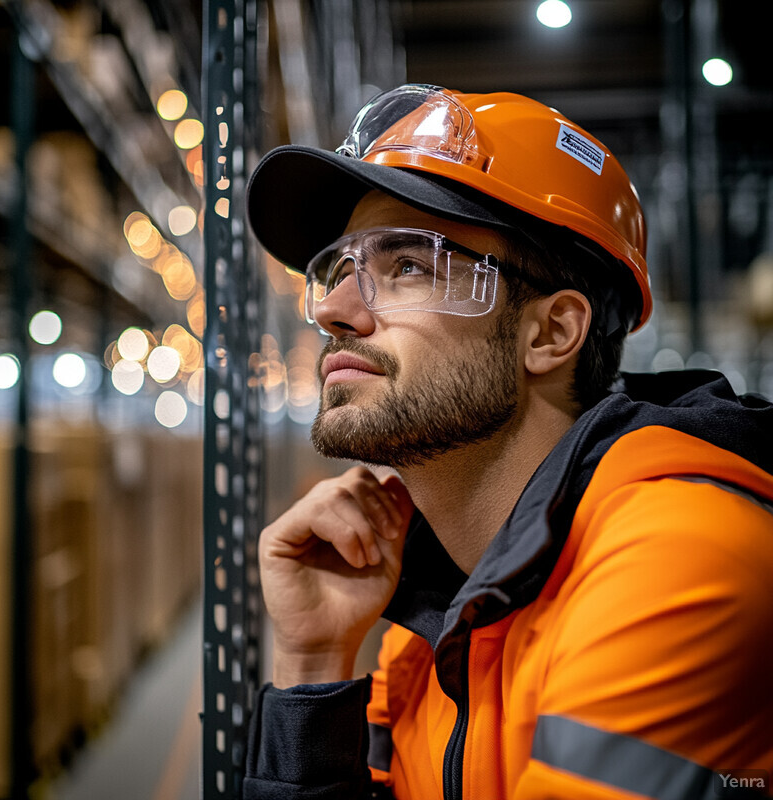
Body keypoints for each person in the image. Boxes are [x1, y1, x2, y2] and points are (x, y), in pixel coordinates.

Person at [241, 84, 773, 799]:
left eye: (406, 266)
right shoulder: (431, 613)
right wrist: (312, 662)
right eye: (338, 271)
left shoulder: (682, 558)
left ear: (550, 333)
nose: (334, 311)